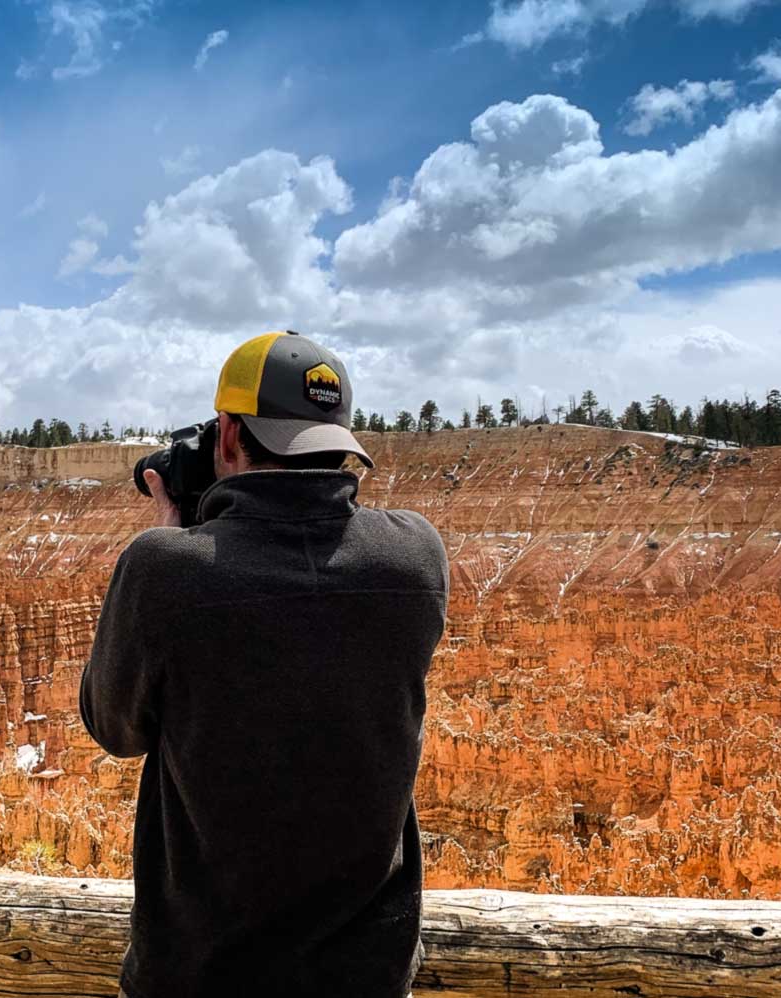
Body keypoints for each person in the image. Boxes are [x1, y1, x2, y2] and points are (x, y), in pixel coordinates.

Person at [81, 330, 449, 998]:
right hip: (367, 977)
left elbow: (115, 727)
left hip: (200, 979)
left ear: (226, 436)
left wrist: (172, 533)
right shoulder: (417, 558)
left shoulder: (164, 570)